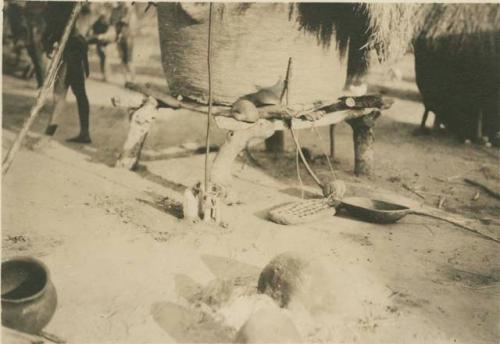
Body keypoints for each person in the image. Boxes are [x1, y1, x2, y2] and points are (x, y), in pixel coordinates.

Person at [43, 2, 92, 143]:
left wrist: (49, 41)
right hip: (69, 47)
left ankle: (48, 136)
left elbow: (62, 27)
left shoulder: (62, 5)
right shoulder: (55, 5)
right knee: (74, 93)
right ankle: (84, 133)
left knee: (61, 94)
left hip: (72, 49)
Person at [110, 3, 137, 83]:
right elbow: (112, 21)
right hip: (120, 38)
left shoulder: (127, 8)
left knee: (129, 60)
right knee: (122, 60)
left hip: (127, 37)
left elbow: (126, 20)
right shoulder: (115, 10)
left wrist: (120, 19)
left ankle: (133, 80)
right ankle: (126, 81)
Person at [87, 12, 111, 81]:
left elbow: (107, 35)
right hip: (100, 43)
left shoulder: (105, 25)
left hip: (104, 44)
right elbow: (93, 31)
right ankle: (104, 75)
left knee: (105, 60)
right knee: (103, 60)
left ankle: (105, 76)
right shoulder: (98, 24)